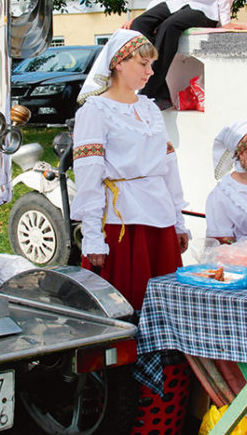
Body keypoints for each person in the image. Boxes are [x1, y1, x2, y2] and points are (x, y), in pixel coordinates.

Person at [70, 29, 190, 310]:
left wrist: (178, 220)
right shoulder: (96, 110)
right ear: (118, 63)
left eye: (151, 65)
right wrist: (93, 237)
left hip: (159, 218)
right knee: (127, 301)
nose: (150, 72)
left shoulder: (149, 108)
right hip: (123, 222)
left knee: (166, 303)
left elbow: (168, 168)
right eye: (143, 64)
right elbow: (89, 174)